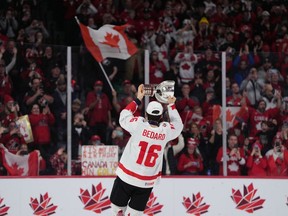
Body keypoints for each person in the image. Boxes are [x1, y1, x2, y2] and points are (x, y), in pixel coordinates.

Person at [110, 84, 183, 216]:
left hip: (126, 176)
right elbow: (178, 125)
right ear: (161, 117)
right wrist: (171, 105)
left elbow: (124, 116)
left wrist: (138, 99)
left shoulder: (139, 125)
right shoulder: (166, 131)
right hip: (146, 181)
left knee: (117, 211)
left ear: (146, 115)